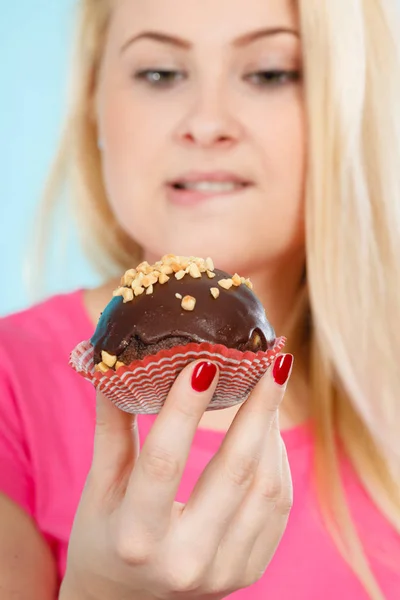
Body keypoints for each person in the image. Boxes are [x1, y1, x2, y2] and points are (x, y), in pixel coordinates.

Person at [1, 0, 400, 598]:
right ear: (93, 102)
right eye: (160, 73)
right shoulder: (13, 382)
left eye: (269, 73)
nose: (207, 122)